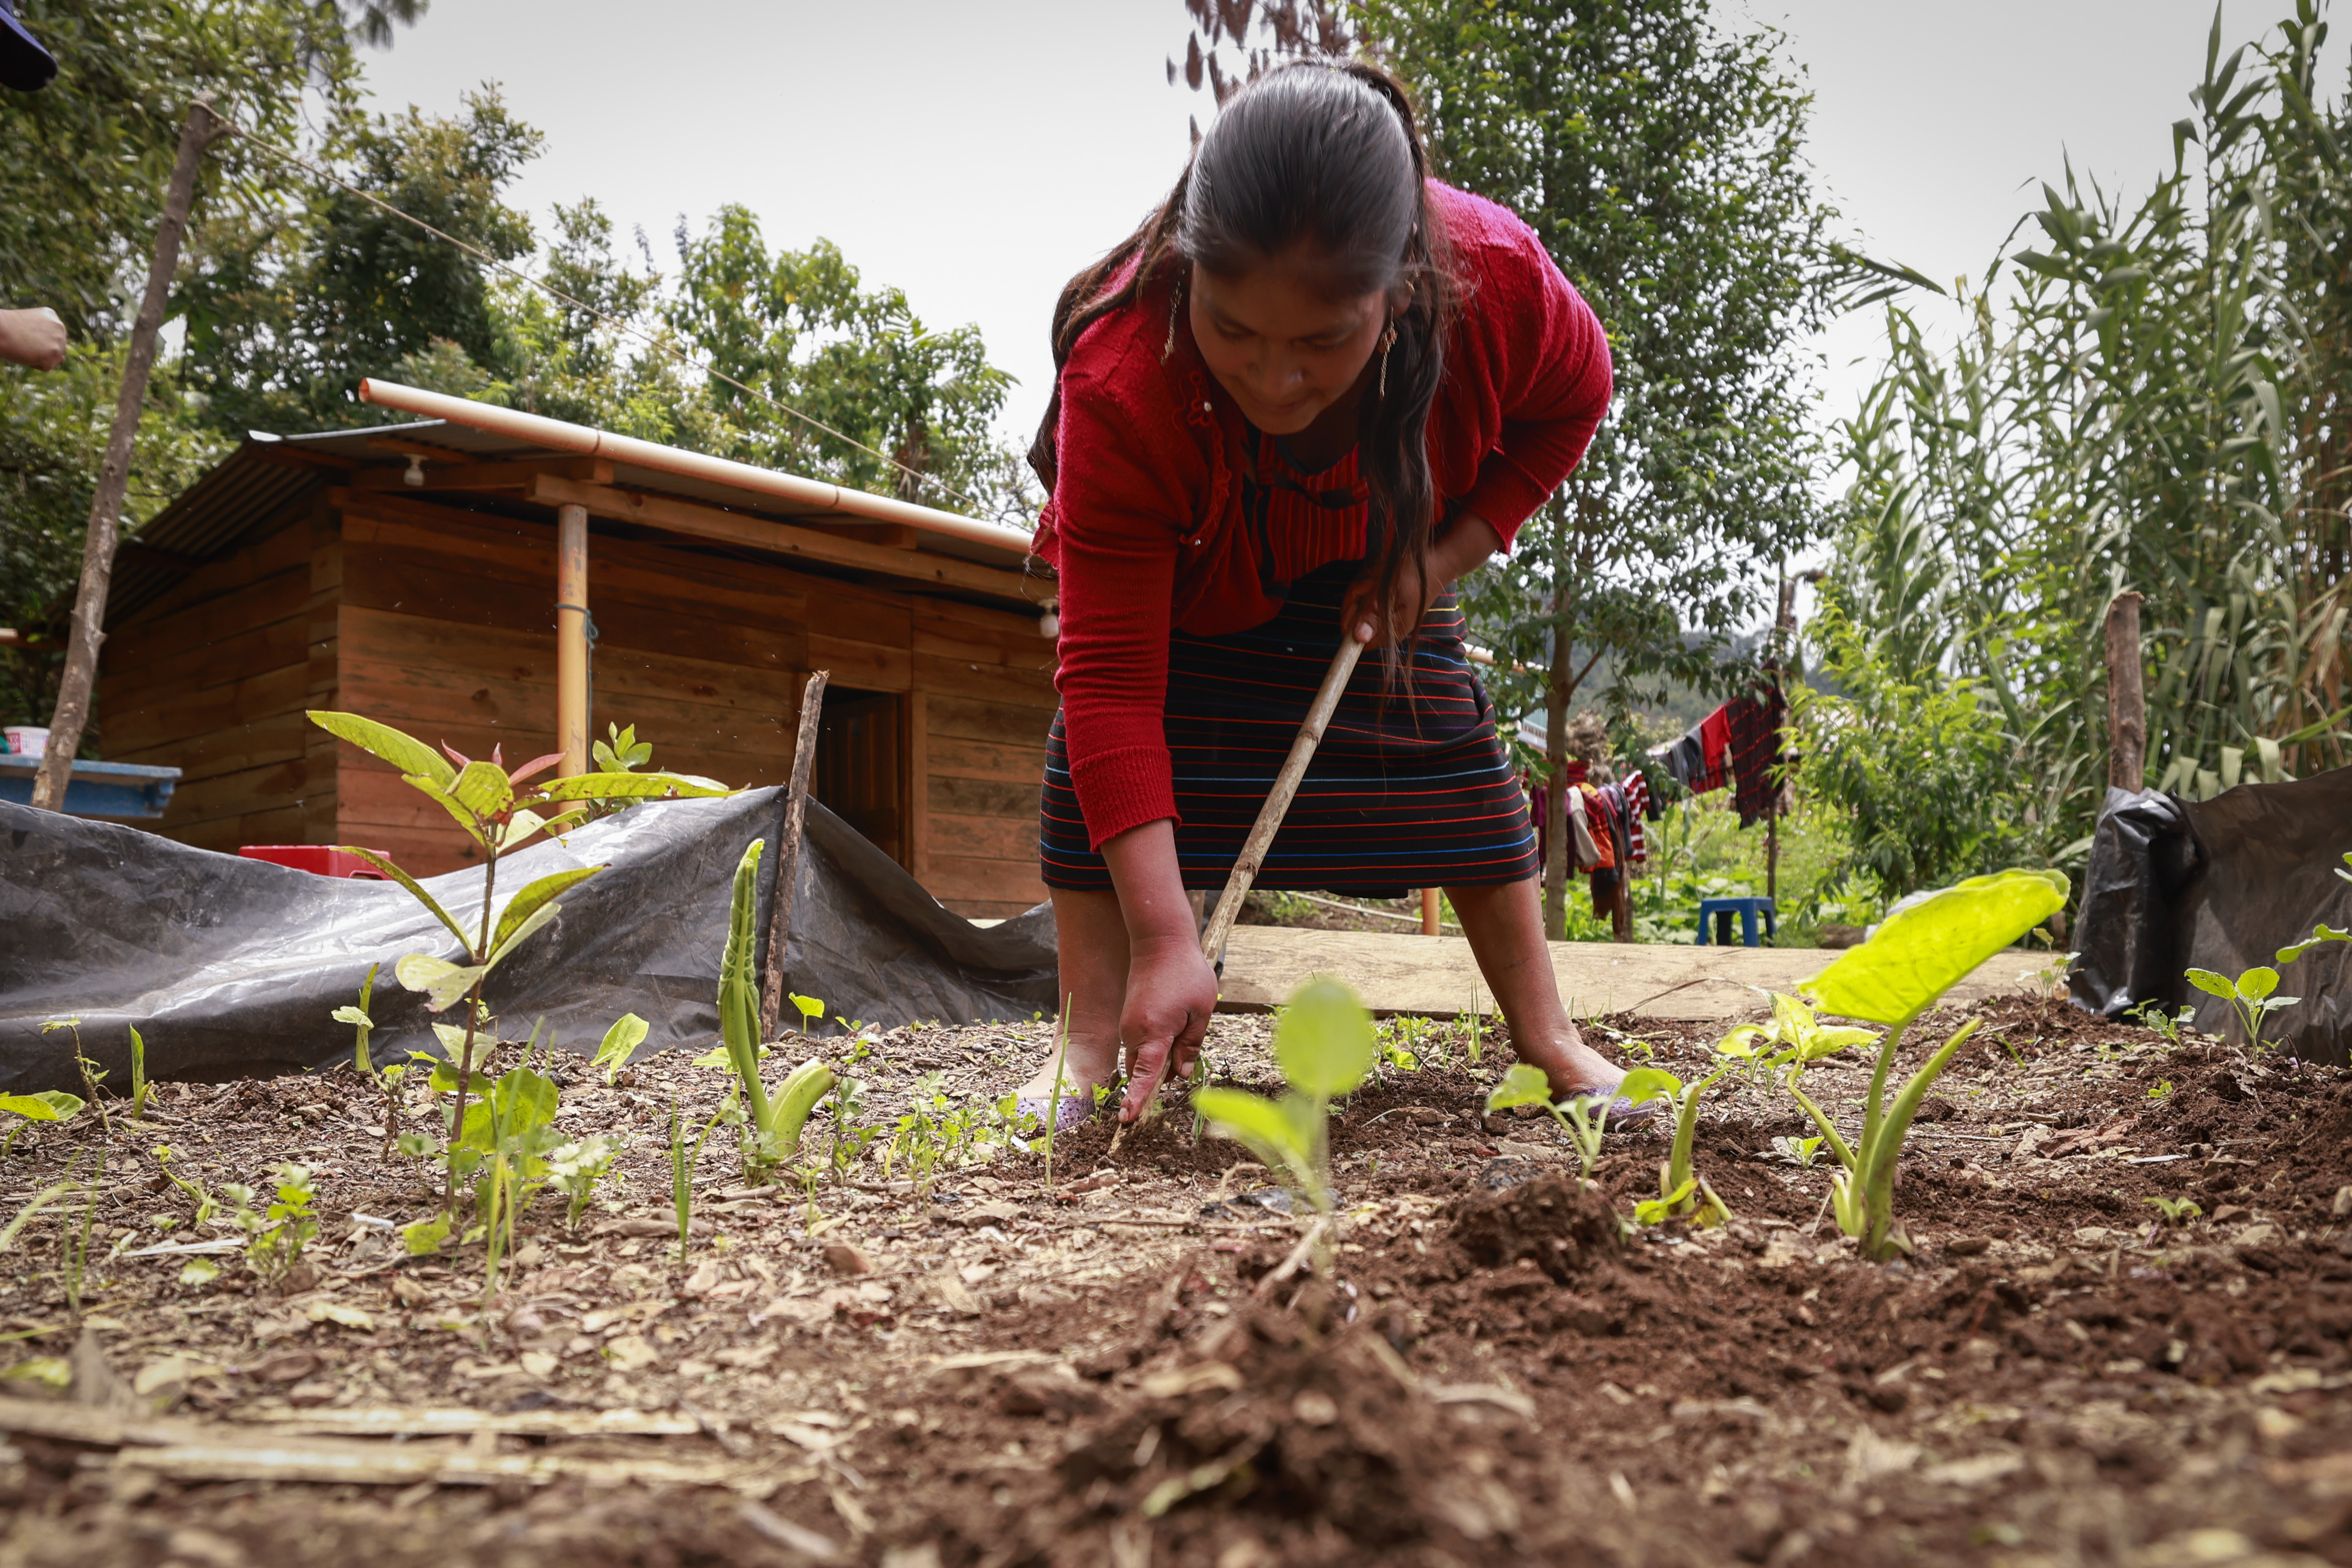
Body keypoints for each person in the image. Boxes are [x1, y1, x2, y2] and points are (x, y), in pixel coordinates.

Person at [1020, 60, 1640, 1129]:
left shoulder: (1496, 281)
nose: (1272, 380)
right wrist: (1171, 939)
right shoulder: (1125, 371)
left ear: (1400, 293)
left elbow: (1578, 397)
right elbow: (1113, 681)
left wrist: (1439, 559)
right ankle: (1085, 1046)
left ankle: (1548, 1039)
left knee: (1457, 762)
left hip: (1378, 556)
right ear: (1189, 270)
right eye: (1233, 331)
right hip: (1192, 577)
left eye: (1321, 342)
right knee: (1094, 763)